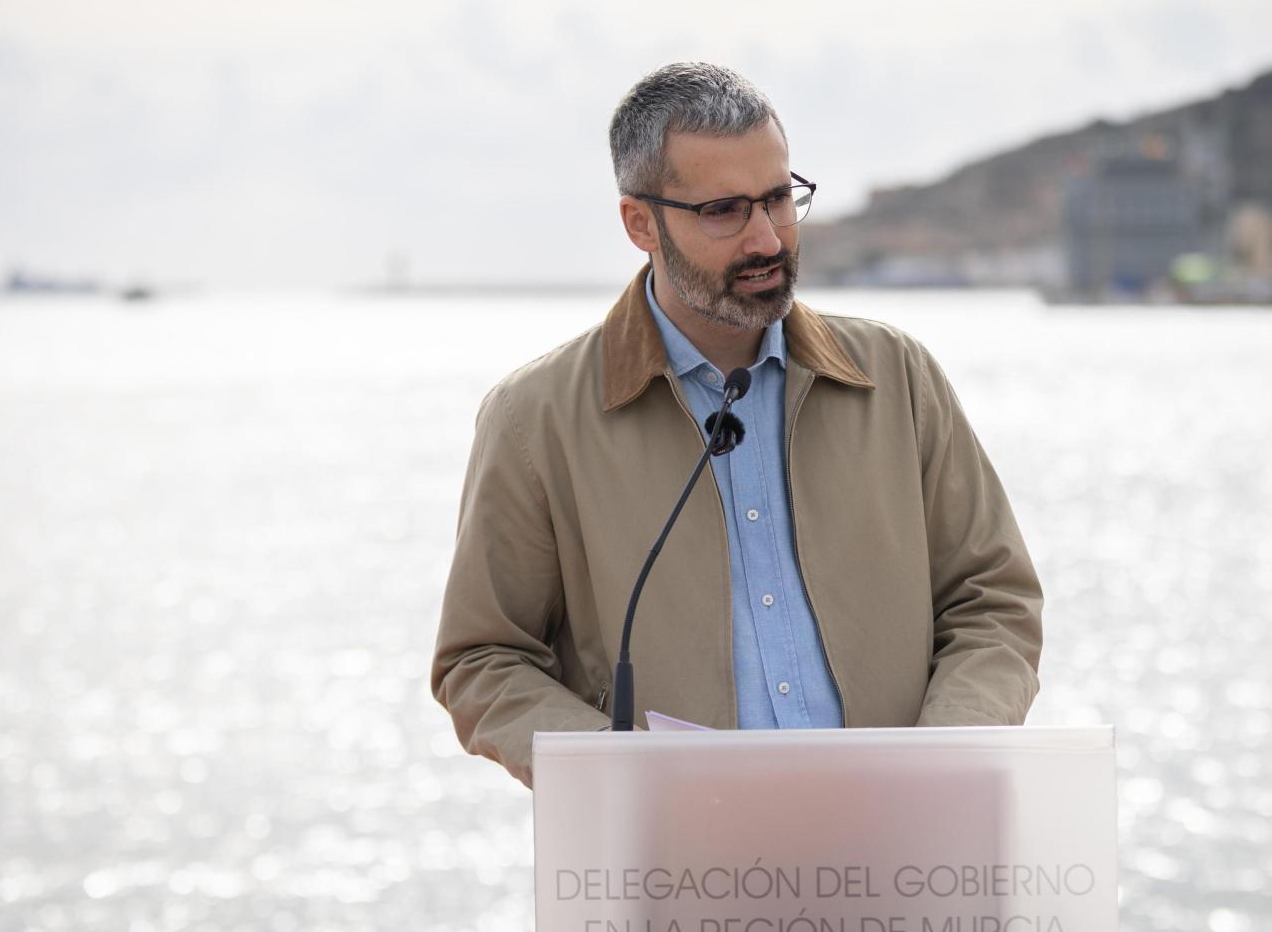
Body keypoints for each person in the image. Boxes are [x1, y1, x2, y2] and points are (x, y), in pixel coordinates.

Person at [431, 62, 1043, 788]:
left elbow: (994, 602)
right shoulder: (534, 420)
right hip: (673, 874)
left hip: (907, 854)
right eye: (724, 210)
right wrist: (624, 778)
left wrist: (940, 761)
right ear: (640, 222)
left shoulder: (900, 377)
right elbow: (483, 661)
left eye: (778, 199)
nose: (766, 239)